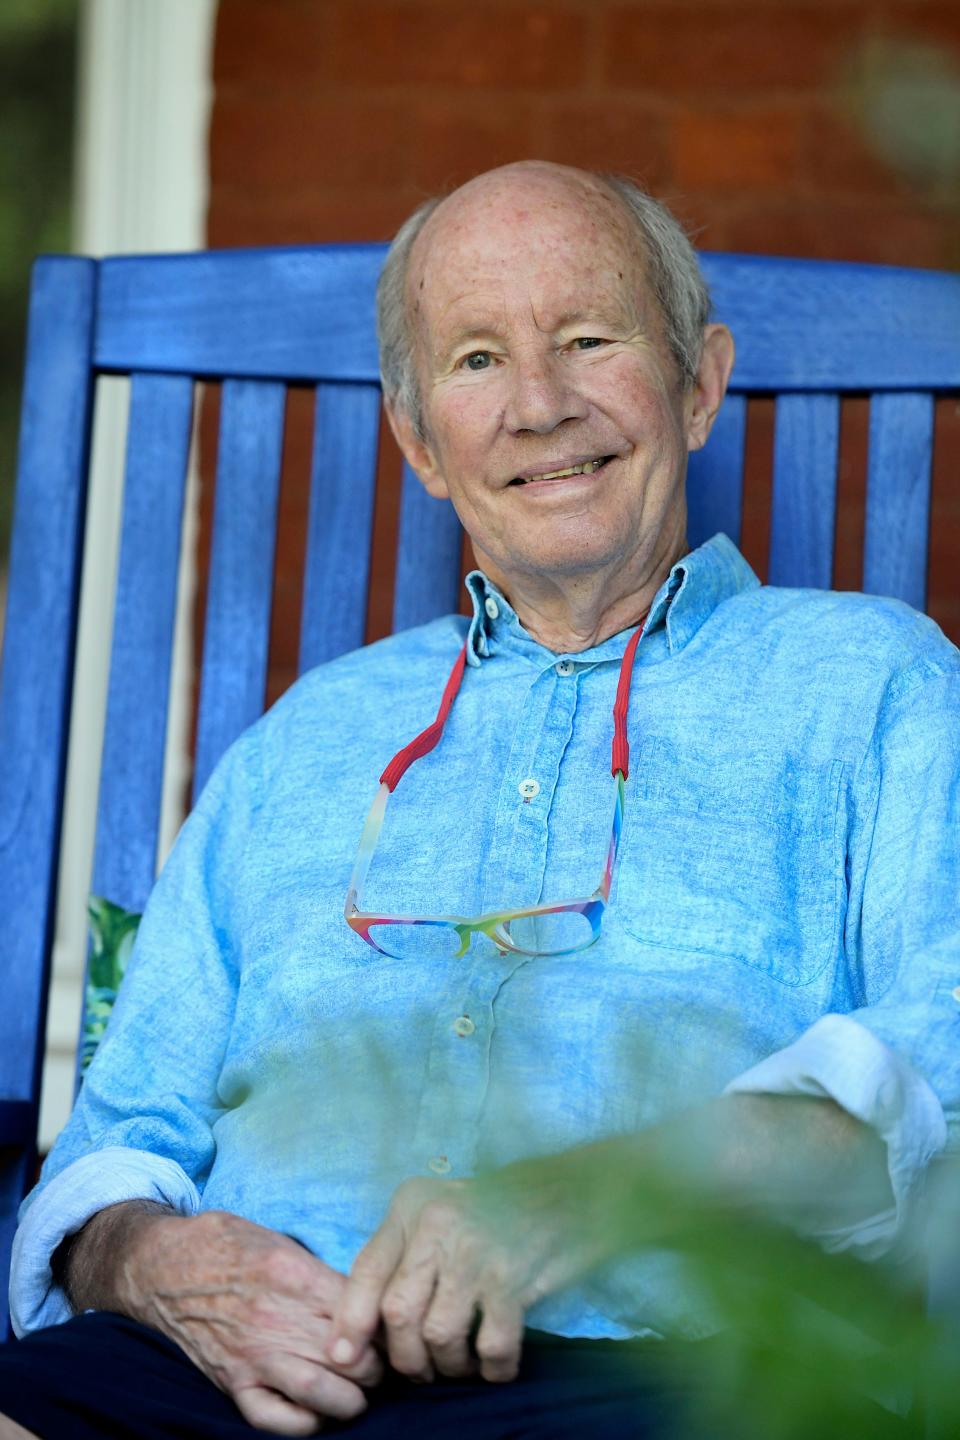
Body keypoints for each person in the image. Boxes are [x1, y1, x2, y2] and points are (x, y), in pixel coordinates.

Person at [0, 160, 956, 1439]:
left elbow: (942, 1053)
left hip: (677, 1376)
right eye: (476, 362)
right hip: (239, 1383)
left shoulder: (877, 684)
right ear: (418, 445)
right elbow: (117, 1143)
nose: (540, 406)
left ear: (700, 384)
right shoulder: (300, 743)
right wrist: (156, 1267)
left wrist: (585, 1197)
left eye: (589, 339)